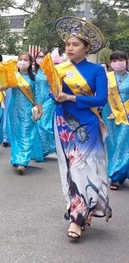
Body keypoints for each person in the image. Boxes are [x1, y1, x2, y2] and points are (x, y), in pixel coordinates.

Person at [46, 16, 111, 240]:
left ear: (86, 48)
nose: (70, 48)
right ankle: (79, 209)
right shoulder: (60, 68)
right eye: (68, 44)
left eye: (75, 45)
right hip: (63, 123)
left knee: (83, 168)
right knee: (69, 169)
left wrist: (72, 97)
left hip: (87, 125)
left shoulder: (96, 71)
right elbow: (53, 94)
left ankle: (78, 218)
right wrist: (55, 96)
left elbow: (101, 99)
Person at [6, 53, 44, 175]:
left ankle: (23, 161)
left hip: (28, 109)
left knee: (25, 134)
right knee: (16, 134)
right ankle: (16, 158)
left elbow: (37, 94)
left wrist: (39, 108)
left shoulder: (34, 77)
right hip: (14, 109)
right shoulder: (13, 76)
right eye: (20, 59)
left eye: (25, 60)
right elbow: (3, 86)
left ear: (30, 62)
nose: (23, 62)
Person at [102, 51, 129, 191]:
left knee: (122, 145)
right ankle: (118, 173)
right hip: (109, 115)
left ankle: (116, 177)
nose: (118, 63)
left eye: (121, 60)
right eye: (114, 60)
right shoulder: (106, 77)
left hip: (126, 116)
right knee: (112, 145)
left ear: (126, 61)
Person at [33, 50, 56, 156]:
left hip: (48, 100)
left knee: (44, 124)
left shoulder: (51, 71)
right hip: (37, 101)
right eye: (38, 56)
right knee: (38, 124)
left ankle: (54, 146)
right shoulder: (34, 71)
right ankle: (43, 149)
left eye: (43, 57)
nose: (40, 59)